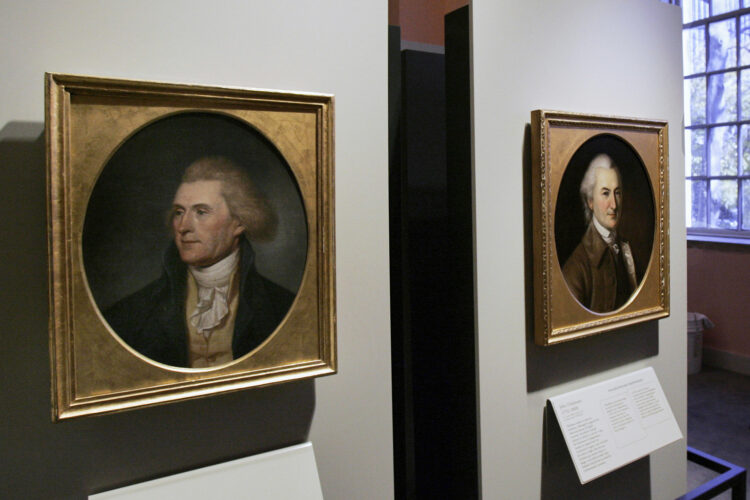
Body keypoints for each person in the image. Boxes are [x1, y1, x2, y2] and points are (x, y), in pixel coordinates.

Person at [105, 156, 294, 368]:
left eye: (201, 212)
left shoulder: (282, 308)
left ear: (240, 221)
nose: (183, 226)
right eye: (179, 212)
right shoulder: (130, 314)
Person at [562, 153, 638, 313]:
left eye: (617, 193)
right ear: (590, 201)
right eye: (605, 193)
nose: (614, 205)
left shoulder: (626, 249)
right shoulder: (576, 268)